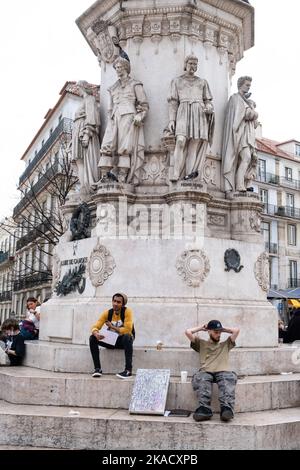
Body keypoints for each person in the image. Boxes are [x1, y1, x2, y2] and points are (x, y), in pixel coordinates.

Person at [100, 57, 149, 184]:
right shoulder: (113, 87)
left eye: (120, 67)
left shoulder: (135, 84)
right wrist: (111, 117)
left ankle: (122, 175)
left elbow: (144, 104)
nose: (117, 70)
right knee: (107, 144)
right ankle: (105, 175)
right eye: (116, 67)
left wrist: (140, 115)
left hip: (128, 115)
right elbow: (110, 107)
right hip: (114, 117)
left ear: (126, 68)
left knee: (124, 146)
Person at [167, 54, 215, 182]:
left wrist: (209, 107)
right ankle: (176, 173)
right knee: (181, 140)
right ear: (185, 65)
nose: (193, 66)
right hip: (183, 110)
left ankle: (189, 175)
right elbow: (173, 102)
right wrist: (172, 120)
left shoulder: (202, 82)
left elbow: (208, 100)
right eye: (190, 63)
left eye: (195, 64)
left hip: (198, 112)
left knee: (193, 145)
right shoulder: (177, 81)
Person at [185, 319, 240, 422]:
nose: (218, 334)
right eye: (216, 332)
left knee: (227, 378)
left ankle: (226, 409)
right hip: (206, 371)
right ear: (209, 331)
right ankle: (204, 409)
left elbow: (236, 331)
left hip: (222, 371)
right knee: (201, 378)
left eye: (219, 332)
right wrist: (202, 328)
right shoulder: (201, 343)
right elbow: (188, 332)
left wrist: (222, 329)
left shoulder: (226, 344)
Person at [222, 76, 259, 194]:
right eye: (247, 85)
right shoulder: (235, 99)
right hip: (239, 135)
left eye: (249, 85)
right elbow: (244, 115)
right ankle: (239, 185)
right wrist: (252, 112)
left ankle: (241, 184)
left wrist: (252, 111)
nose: (249, 87)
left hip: (246, 134)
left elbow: (253, 120)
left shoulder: (245, 101)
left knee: (246, 159)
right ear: (240, 84)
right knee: (246, 157)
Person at [89, 292, 134, 379]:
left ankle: (128, 370)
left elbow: (128, 330)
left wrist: (112, 326)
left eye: (118, 302)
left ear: (123, 304)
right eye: (114, 301)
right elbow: (95, 326)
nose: (115, 304)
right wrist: (96, 333)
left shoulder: (127, 312)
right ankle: (97, 369)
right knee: (92, 338)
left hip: (124, 342)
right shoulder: (108, 313)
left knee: (127, 337)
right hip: (112, 341)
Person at [72, 80, 101, 193]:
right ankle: (84, 188)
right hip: (77, 130)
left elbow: (92, 117)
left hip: (83, 130)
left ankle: (87, 187)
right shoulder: (84, 100)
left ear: (83, 87)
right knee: (79, 161)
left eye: (78, 87)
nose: (78, 90)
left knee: (83, 160)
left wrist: (87, 134)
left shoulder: (90, 99)